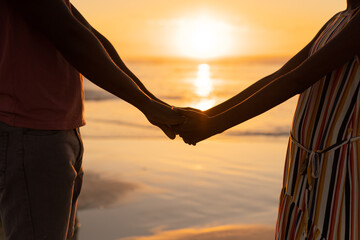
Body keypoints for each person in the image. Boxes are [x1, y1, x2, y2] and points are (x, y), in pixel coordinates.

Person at [0, 0, 183, 239]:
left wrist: (153, 103)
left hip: (57, 131)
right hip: (29, 132)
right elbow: (70, 35)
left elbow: (88, 34)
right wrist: (146, 105)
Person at [177, 0, 360, 239]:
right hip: (305, 163)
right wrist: (207, 115)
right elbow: (279, 76)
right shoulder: (337, 19)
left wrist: (214, 125)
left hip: (340, 164)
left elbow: (297, 80)